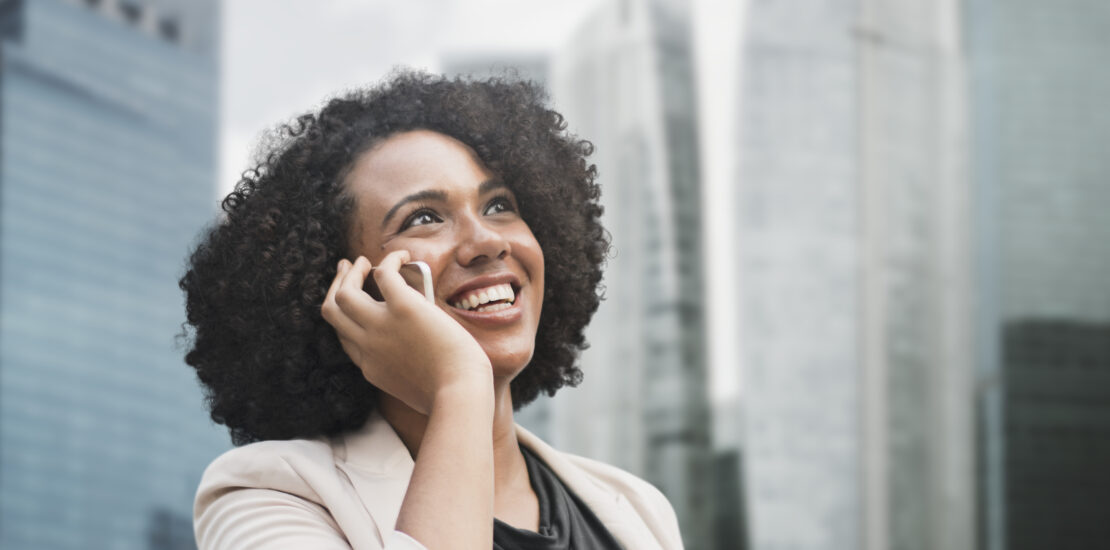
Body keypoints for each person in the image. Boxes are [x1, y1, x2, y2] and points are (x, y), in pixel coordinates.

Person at [180, 70, 683, 550]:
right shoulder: (267, 495)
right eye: (423, 218)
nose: (487, 241)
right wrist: (459, 386)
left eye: (499, 205)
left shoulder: (637, 508)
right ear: (344, 287)